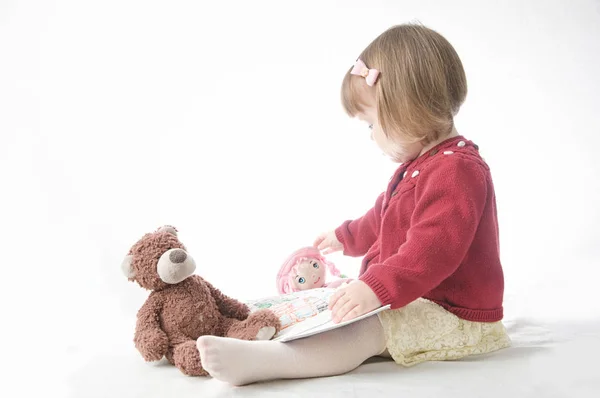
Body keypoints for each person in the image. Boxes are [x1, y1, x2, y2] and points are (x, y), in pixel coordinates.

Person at [196, 23, 511, 386]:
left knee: (364, 332)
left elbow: (432, 249)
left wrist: (376, 287)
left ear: (407, 110)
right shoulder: (419, 167)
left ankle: (270, 363)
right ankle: (262, 331)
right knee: (338, 305)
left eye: (371, 124)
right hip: (415, 297)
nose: (372, 136)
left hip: (453, 315)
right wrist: (346, 236)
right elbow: (383, 216)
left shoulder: (456, 171)